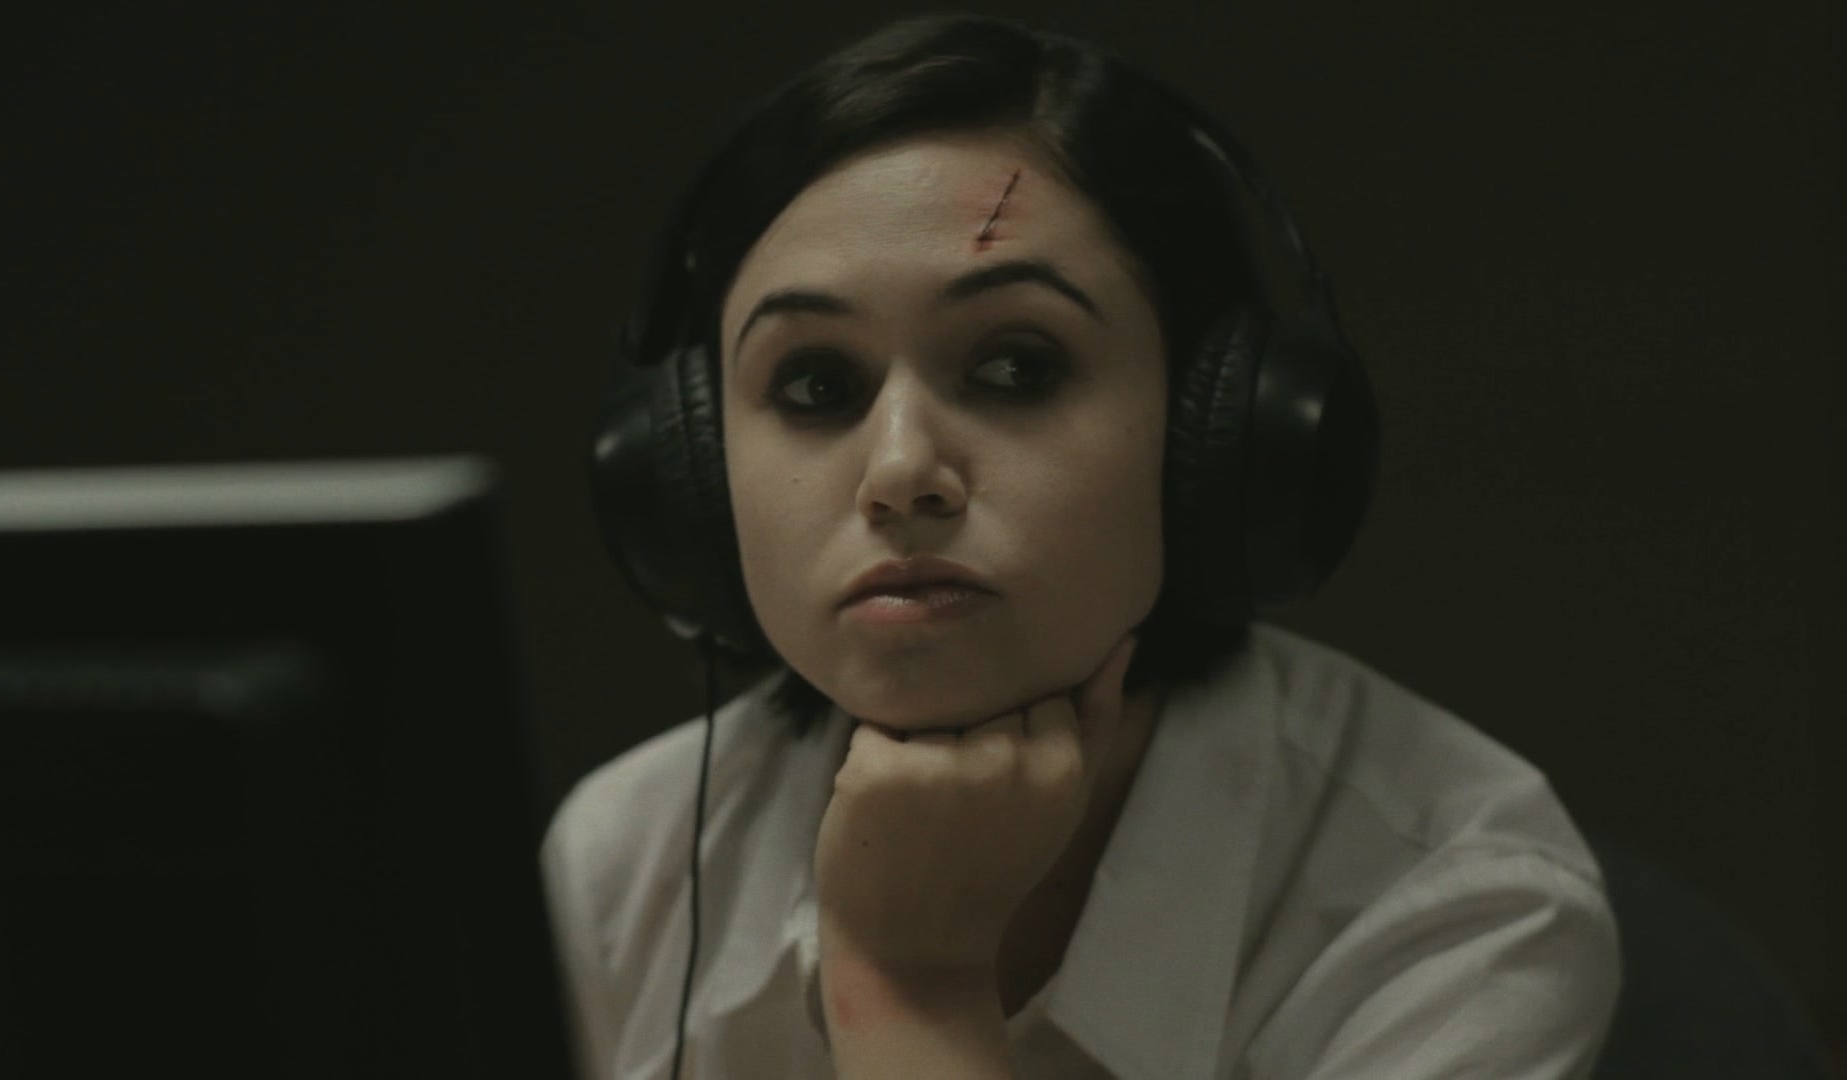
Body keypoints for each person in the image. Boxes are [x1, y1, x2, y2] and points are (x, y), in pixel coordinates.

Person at [547, 12, 1622, 1079]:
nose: (900, 471)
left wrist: (909, 990)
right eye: (817, 385)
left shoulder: (1463, 919)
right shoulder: (625, 872)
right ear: (688, 473)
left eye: (1017, 367)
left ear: (1215, 437)